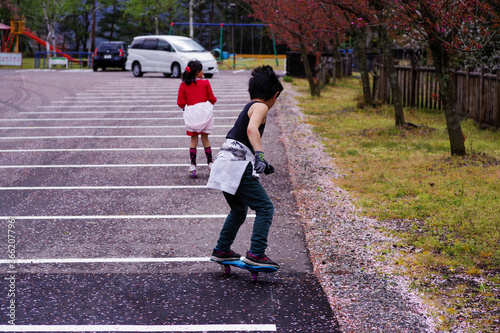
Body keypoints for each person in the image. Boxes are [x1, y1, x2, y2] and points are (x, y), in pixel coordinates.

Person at [207, 65, 284, 268]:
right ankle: (256, 254)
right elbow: (251, 130)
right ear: (275, 94)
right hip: (236, 165)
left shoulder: (249, 106)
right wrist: (260, 155)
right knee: (265, 207)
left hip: (224, 161)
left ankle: (222, 250)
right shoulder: (261, 106)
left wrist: (262, 163)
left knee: (239, 210)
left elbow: (242, 138)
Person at [177, 59, 217, 176]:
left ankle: (193, 165)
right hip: (204, 114)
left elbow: (180, 103)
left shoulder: (184, 85)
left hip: (192, 116)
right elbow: (212, 98)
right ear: (198, 72)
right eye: (202, 69)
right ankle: (210, 163)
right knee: (205, 139)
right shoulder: (205, 83)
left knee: (193, 140)